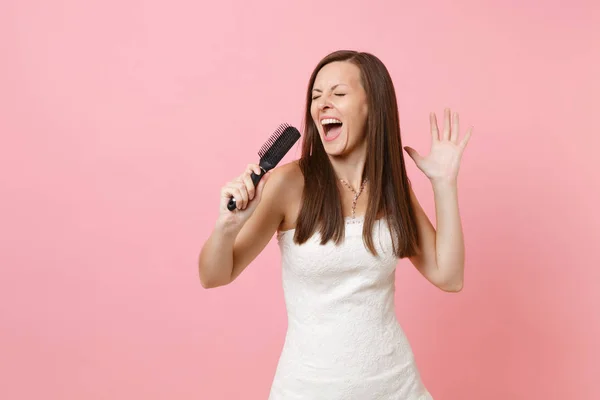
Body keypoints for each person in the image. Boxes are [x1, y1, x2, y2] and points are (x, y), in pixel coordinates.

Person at [198, 50, 472, 400]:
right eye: (316, 96)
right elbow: (213, 275)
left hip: (397, 387)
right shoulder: (287, 184)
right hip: (308, 389)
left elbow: (449, 277)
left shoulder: (392, 187)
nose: (322, 104)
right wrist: (227, 226)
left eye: (338, 94)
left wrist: (444, 185)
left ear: (371, 106)